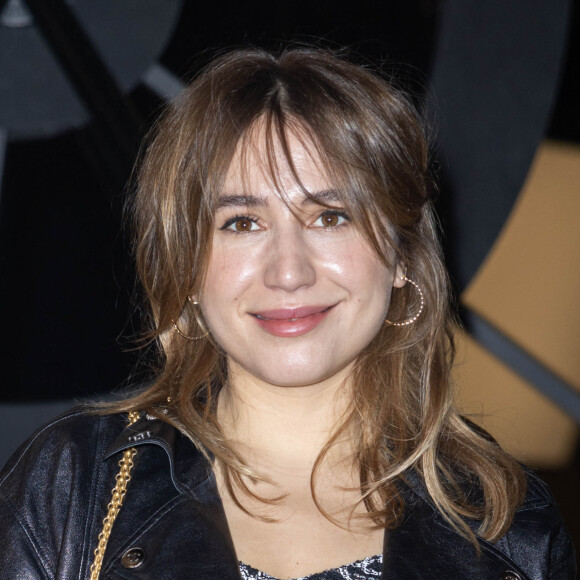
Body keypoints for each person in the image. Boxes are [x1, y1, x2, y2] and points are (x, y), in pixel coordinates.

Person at [0, 47, 575, 580]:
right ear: (187, 271)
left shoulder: (508, 520)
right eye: (242, 223)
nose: (289, 271)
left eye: (331, 216)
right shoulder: (71, 487)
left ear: (401, 256)